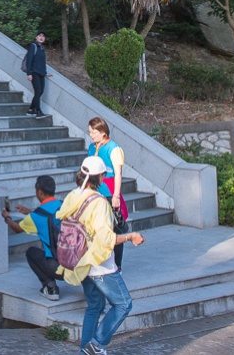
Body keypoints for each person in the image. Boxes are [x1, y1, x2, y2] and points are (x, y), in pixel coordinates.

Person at [57, 156, 144, 355]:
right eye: (104, 174)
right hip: (99, 264)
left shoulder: (72, 196)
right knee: (123, 304)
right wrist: (130, 236)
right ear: (100, 177)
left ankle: (85, 351)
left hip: (79, 260)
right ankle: (96, 344)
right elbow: (106, 239)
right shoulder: (99, 203)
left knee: (94, 306)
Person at [1, 175, 63, 300]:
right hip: (76, 264)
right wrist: (31, 212)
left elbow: (17, 228)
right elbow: (49, 216)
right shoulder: (64, 205)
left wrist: (7, 217)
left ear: (39, 192)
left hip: (57, 267)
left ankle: (50, 288)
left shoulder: (36, 216)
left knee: (31, 252)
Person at [88, 117, 129, 270]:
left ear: (103, 132)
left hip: (110, 191)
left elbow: (118, 173)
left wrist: (116, 196)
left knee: (115, 228)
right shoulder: (92, 147)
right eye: (90, 132)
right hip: (95, 191)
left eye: (94, 132)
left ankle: (117, 264)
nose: (92, 135)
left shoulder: (114, 148)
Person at [23, 31, 50, 119]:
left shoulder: (42, 48)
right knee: (38, 91)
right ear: (36, 37)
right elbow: (29, 60)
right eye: (40, 36)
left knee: (40, 91)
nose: (41, 37)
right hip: (34, 73)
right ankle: (38, 111)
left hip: (41, 73)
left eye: (43, 36)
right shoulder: (33, 46)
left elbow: (42, 62)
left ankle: (31, 109)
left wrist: (45, 72)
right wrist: (29, 73)